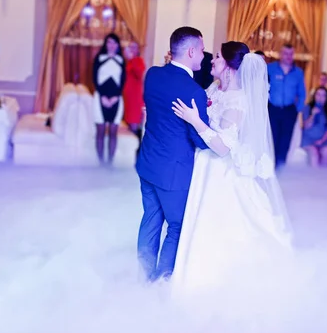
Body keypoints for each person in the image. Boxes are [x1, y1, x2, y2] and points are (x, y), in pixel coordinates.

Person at [170, 44, 293, 298]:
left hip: (220, 171)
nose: (211, 60)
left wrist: (195, 120)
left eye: (216, 57)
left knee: (219, 225)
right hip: (204, 165)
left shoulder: (238, 101)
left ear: (228, 65)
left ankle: (210, 282)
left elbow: (223, 147)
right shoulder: (216, 88)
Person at [136, 26, 209, 283]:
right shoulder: (194, 92)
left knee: (151, 220)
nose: (204, 54)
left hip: (148, 163)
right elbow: (200, 138)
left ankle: (142, 278)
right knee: (176, 227)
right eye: (201, 49)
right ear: (191, 51)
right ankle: (161, 283)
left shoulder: (153, 75)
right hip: (173, 171)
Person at [267, 43, 306, 168]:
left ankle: (280, 167)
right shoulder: (270, 68)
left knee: (286, 140)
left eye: (291, 54)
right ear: (280, 54)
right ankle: (269, 167)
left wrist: (297, 110)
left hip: (289, 111)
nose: (288, 56)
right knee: (272, 138)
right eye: (285, 53)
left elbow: (302, 93)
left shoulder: (298, 72)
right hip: (272, 109)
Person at [92, 33, 126, 166]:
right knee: (100, 131)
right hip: (100, 98)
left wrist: (115, 97)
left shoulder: (121, 60)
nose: (112, 45)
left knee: (113, 132)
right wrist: (103, 97)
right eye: (109, 42)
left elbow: (123, 81)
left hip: (117, 99)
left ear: (118, 45)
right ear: (105, 44)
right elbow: (94, 78)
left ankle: (110, 164)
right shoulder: (99, 58)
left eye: (114, 43)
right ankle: (101, 163)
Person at [122, 41, 146, 157]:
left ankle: (137, 153)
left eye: (134, 47)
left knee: (134, 124)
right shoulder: (129, 61)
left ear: (138, 50)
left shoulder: (138, 61)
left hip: (135, 97)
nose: (132, 49)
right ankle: (132, 152)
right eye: (130, 47)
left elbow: (138, 74)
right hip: (128, 97)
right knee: (129, 123)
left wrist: (131, 59)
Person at [301, 86, 327, 167]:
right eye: (318, 95)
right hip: (308, 140)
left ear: (326, 98)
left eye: (323, 95)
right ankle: (314, 176)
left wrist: (321, 141)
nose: (320, 97)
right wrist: (312, 114)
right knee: (314, 153)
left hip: (322, 140)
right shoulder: (307, 108)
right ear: (314, 96)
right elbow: (306, 126)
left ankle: (323, 177)